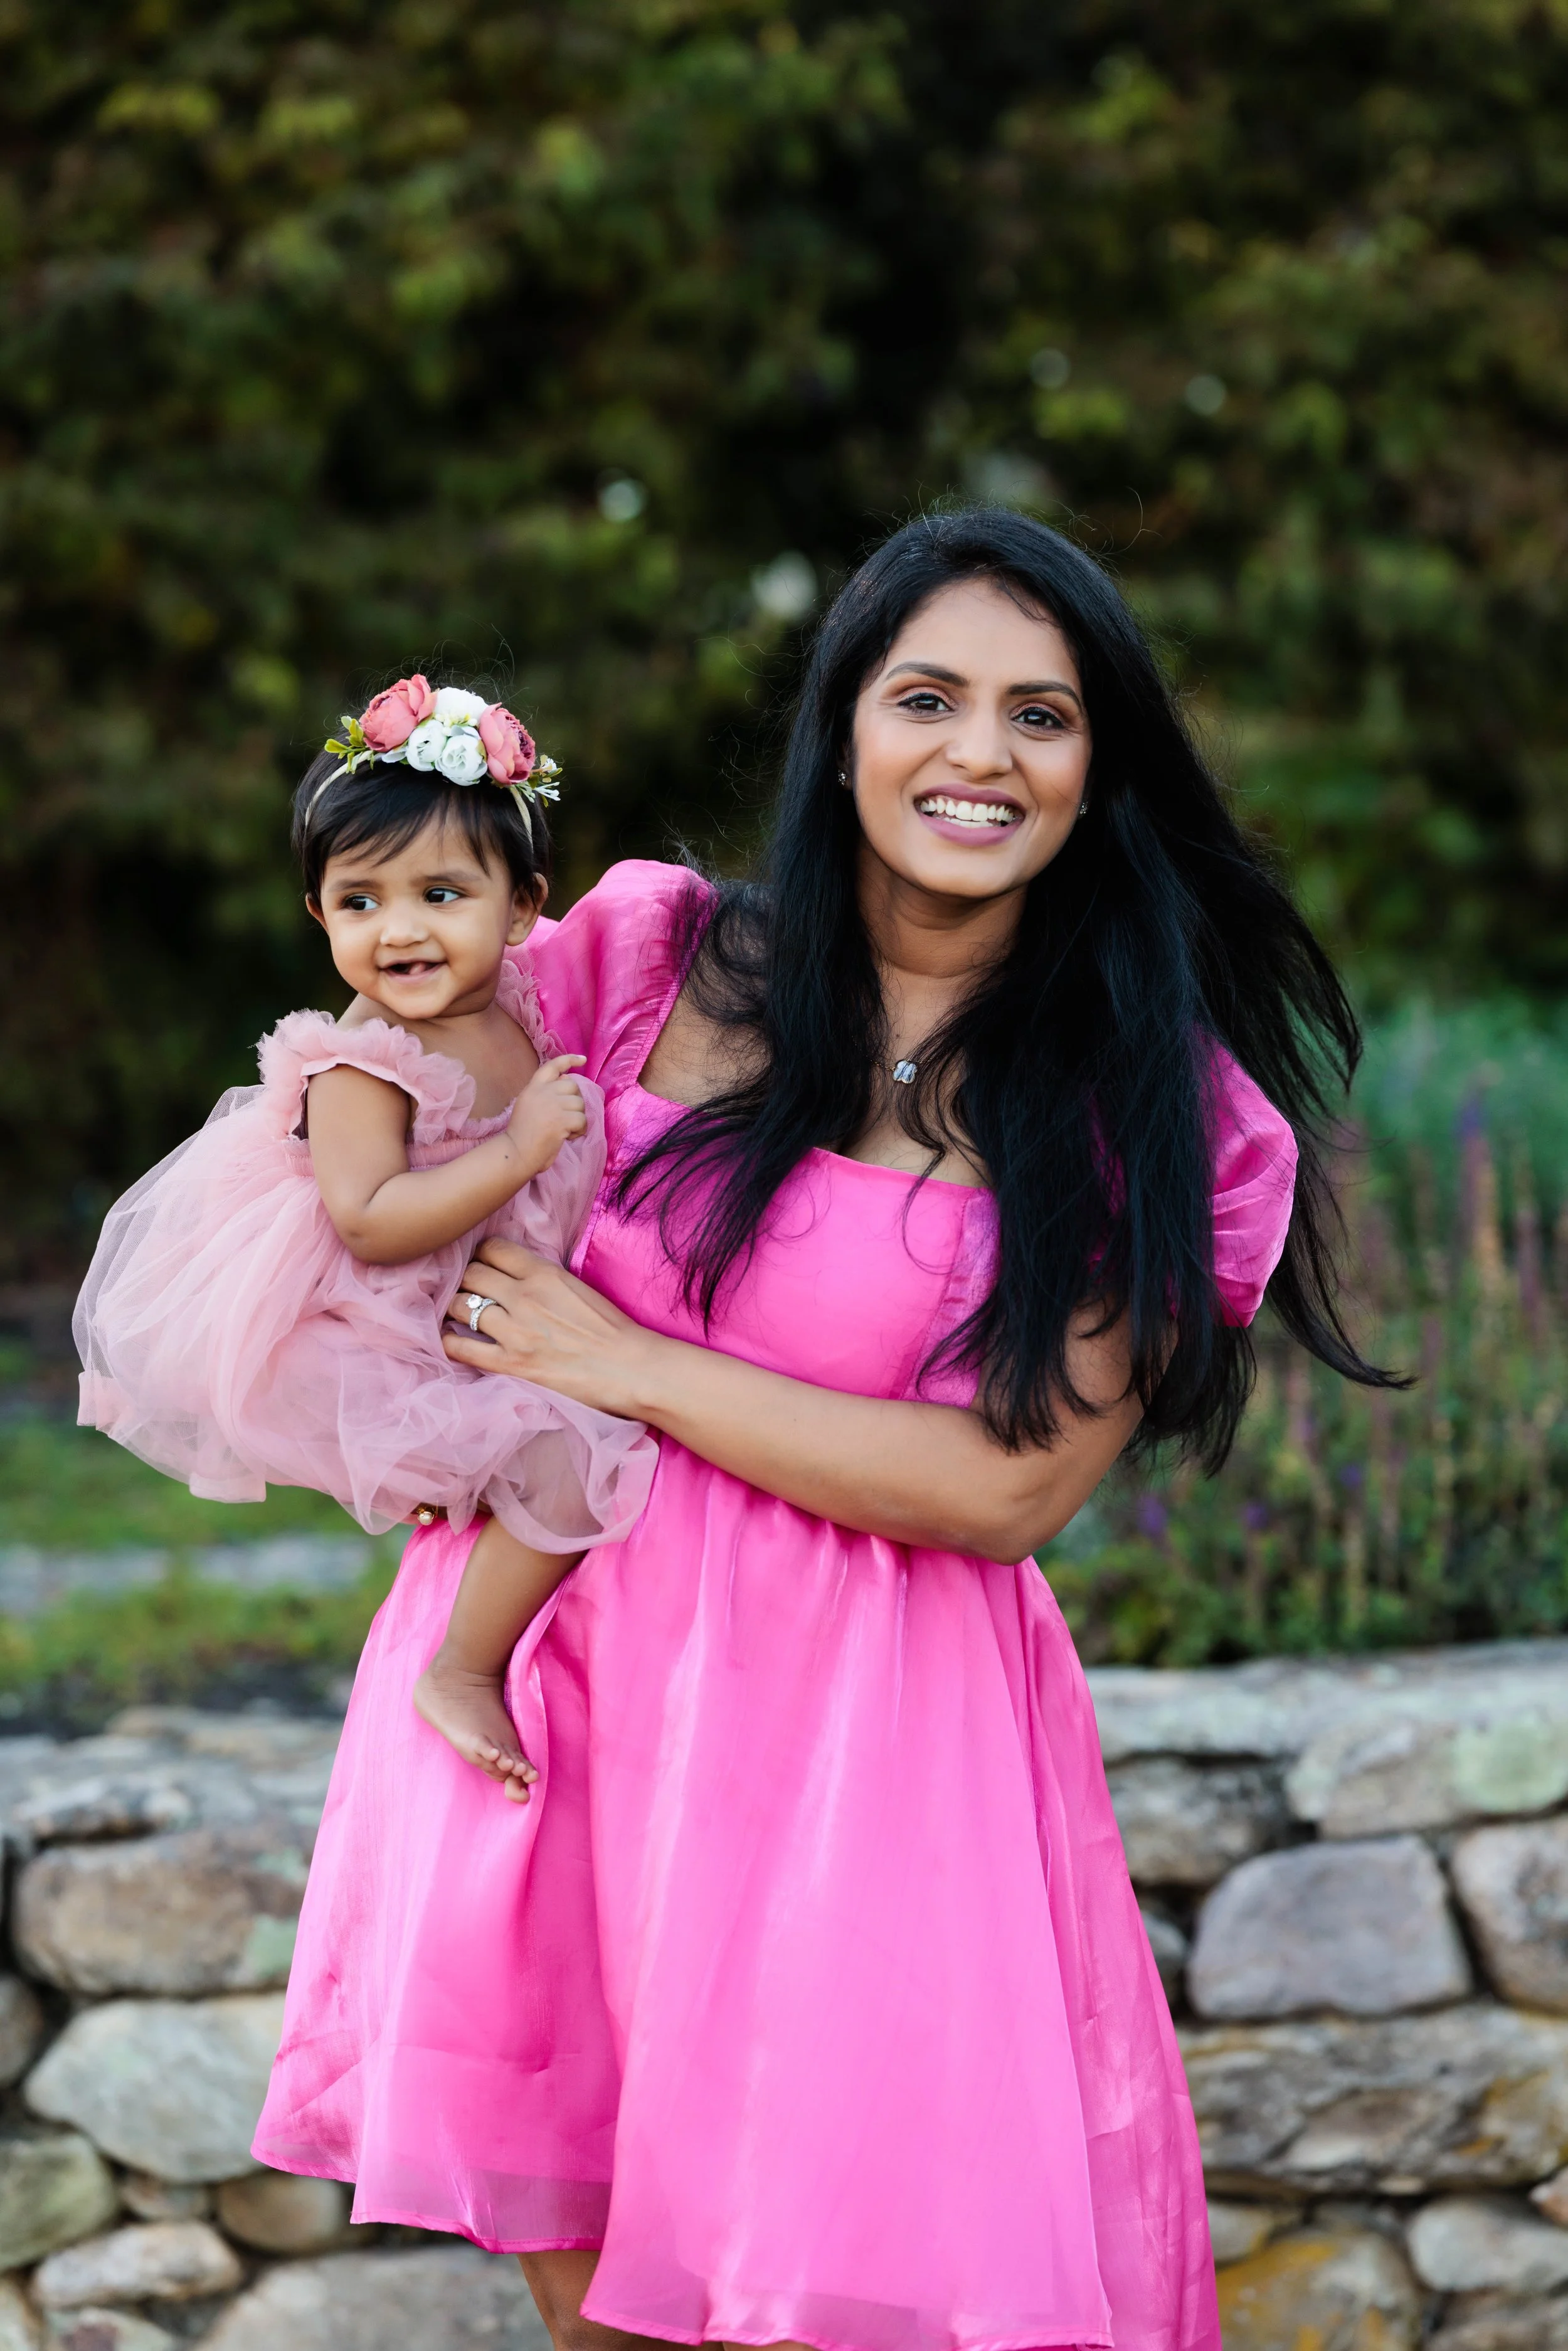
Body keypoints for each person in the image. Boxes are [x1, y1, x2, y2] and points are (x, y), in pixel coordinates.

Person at [255, 510, 1389, 2351]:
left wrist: (628, 1366)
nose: (978, 752)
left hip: (871, 1766)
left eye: (1041, 714)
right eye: (926, 696)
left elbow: (1008, 1486)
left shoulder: (1144, 1094)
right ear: (842, 730)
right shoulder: (647, 957)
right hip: (565, 1706)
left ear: (1096, 770)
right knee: (608, 2323)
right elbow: (367, 1105)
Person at [75, 679, 657, 1793]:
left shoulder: (512, 1005)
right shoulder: (361, 1059)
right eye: (360, 901)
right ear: (319, 915)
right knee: (574, 1462)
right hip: (382, 1322)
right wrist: (521, 1148)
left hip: (478, 1295)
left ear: (522, 908)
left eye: (441, 893)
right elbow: (371, 1220)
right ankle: (465, 1669)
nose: (400, 930)